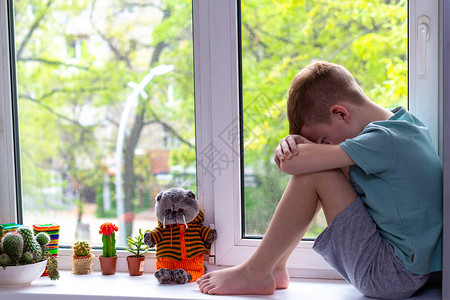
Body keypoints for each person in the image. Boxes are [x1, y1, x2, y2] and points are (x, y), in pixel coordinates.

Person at [197, 61, 442, 299]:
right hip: (402, 271)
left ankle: (257, 271)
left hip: (390, 275)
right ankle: (275, 267)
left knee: (317, 172)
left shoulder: (384, 141)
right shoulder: (403, 125)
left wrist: (292, 148)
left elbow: (293, 163)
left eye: (322, 140)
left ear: (340, 113)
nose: (323, 147)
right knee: (324, 168)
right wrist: (309, 146)